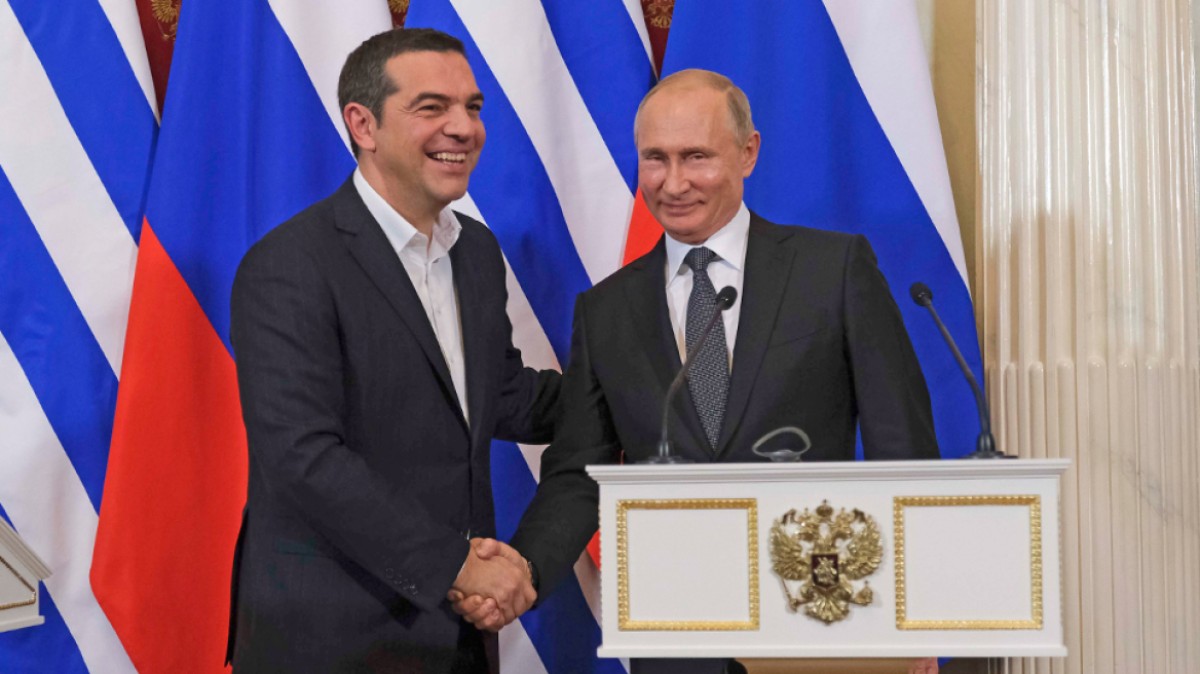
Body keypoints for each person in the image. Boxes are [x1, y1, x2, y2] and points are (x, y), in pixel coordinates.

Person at [453, 69, 940, 674]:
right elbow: (580, 472)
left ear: (748, 152)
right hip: (676, 636)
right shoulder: (606, 310)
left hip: (816, 616)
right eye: (655, 159)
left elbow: (903, 450)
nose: (674, 182)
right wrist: (523, 570)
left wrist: (916, 615)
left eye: (696, 157)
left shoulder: (833, 270)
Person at [225, 28, 557, 673]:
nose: (463, 127)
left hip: (456, 637)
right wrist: (456, 566)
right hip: (329, 639)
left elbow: (502, 397)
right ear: (363, 124)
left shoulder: (476, 252)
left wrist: (645, 381)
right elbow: (303, 456)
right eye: (432, 107)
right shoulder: (290, 263)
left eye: (472, 107)